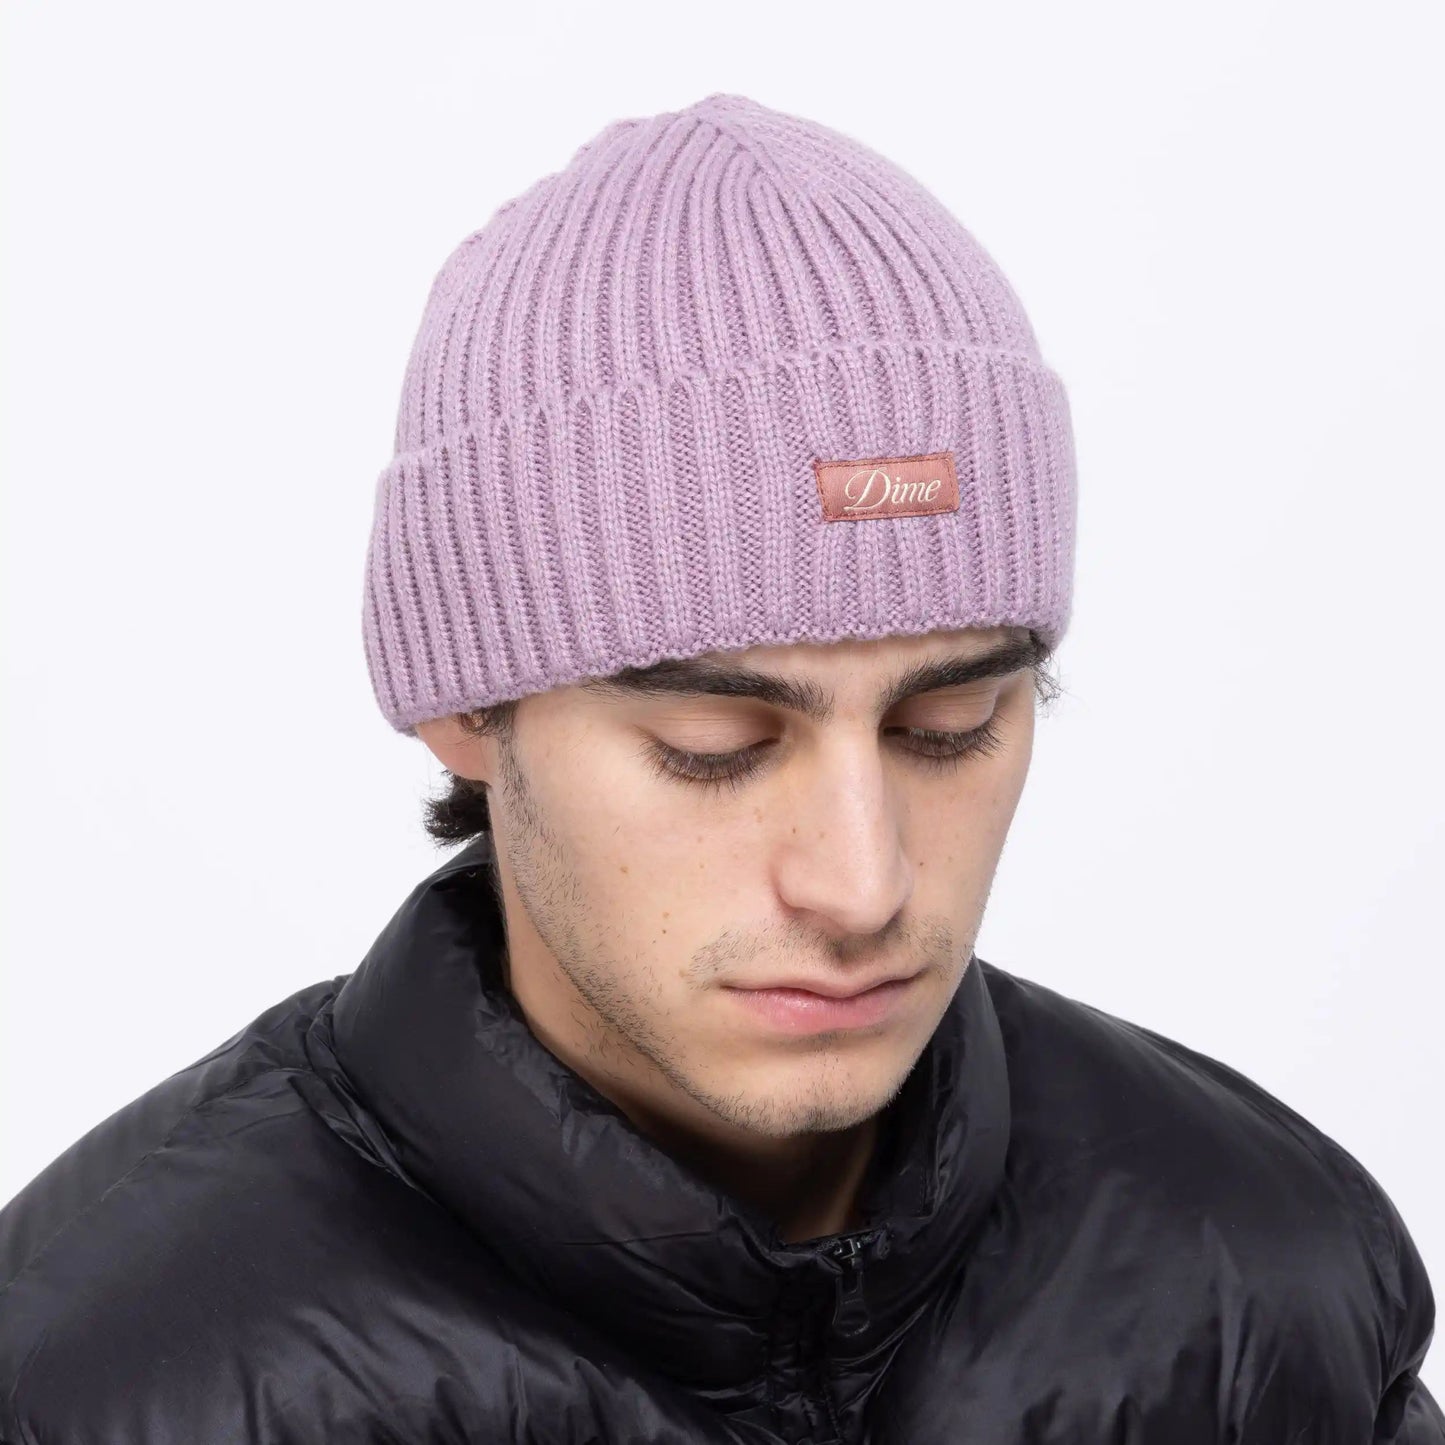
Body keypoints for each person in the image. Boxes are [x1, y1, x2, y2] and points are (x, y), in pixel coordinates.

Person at [0, 91, 1438, 1445]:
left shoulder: (1278, 1271)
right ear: (466, 711)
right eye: (717, 749)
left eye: (950, 724)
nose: (862, 885)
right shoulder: (99, 1380)